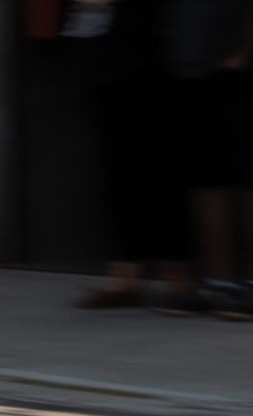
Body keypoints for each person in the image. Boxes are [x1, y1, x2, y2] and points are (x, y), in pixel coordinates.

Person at [165, 0, 253, 317]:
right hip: (191, 63)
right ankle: (218, 283)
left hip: (245, 62)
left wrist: (246, 51)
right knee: (205, 176)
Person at [63, 1, 192, 311]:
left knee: (160, 170)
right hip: (105, 66)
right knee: (119, 172)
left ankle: (176, 275)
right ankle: (125, 276)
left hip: (148, 62)